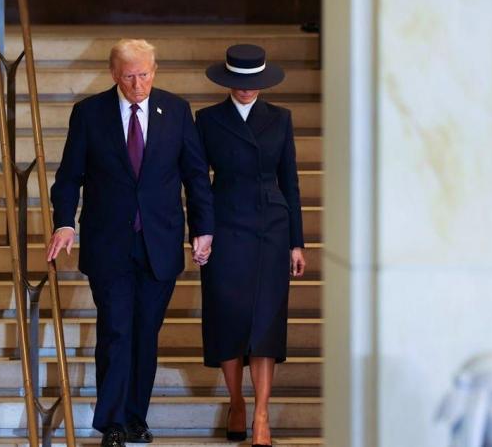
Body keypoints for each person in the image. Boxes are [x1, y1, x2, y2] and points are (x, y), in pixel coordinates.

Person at [47, 39, 214, 447]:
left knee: (145, 334)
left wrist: (203, 229)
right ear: (113, 74)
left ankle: (136, 417)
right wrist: (65, 223)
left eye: (144, 75)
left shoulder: (175, 110)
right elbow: (69, 177)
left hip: (160, 242)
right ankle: (113, 422)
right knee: (117, 331)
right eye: (129, 76)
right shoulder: (89, 114)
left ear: (154, 72)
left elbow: (195, 175)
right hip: (110, 244)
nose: (137, 84)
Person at [195, 44, 306, 447]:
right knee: (228, 317)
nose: (246, 90)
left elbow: (290, 183)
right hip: (224, 226)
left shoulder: (281, 119)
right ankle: (236, 400)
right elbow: (196, 181)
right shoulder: (206, 120)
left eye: (253, 83)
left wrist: (297, 242)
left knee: (265, 320)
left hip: (270, 229)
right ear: (227, 82)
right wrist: (201, 230)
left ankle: (261, 414)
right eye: (239, 83)